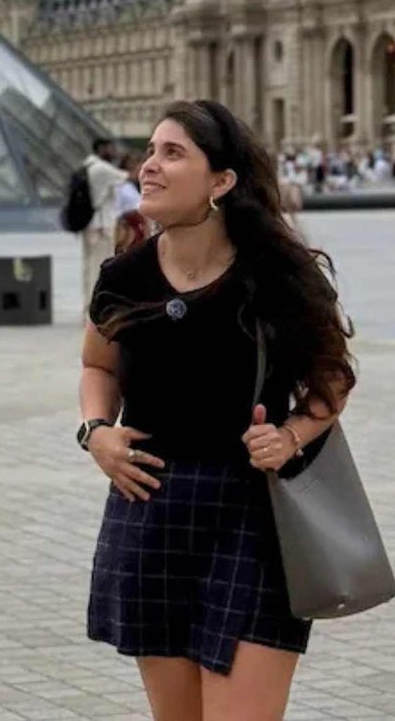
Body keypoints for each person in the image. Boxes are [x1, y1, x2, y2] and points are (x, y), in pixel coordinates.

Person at [78, 100, 355, 718]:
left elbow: (333, 378)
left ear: (221, 182)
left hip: (253, 513)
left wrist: (290, 434)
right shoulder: (123, 277)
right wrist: (96, 431)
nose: (148, 166)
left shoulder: (277, 276)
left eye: (172, 153)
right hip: (151, 508)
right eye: (150, 152)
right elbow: (97, 367)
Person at [80, 139, 128, 305]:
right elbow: (126, 176)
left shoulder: (87, 166)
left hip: (90, 224)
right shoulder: (102, 168)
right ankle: (96, 304)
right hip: (101, 226)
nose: (113, 151)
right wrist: (122, 158)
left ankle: (87, 304)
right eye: (110, 148)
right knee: (100, 266)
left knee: (89, 266)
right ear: (101, 149)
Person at [113, 153, 147, 255]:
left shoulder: (131, 186)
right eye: (139, 169)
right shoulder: (123, 187)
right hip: (128, 229)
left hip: (133, 228)